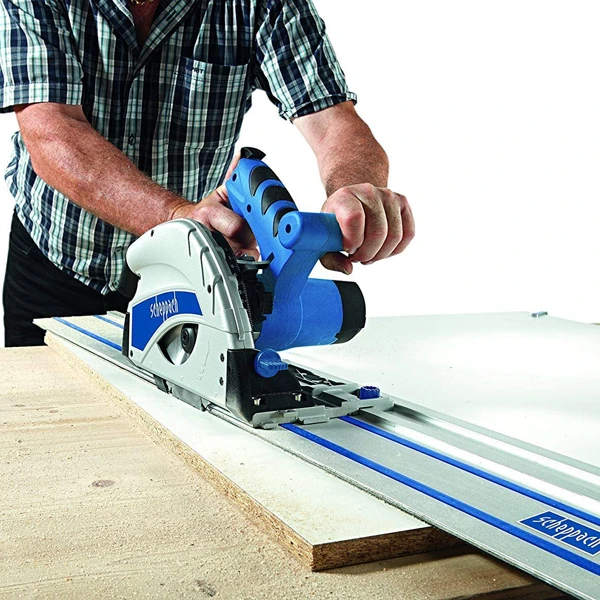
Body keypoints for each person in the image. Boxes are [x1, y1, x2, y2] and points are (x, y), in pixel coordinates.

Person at [0, 0, 415, 347]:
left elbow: (331, 120)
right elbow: (52, 134)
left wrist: (353, 191)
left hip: (185, 280)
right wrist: (175, 216)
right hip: (54, 266)